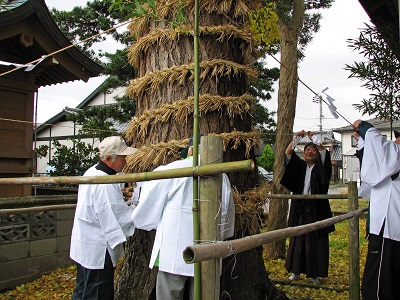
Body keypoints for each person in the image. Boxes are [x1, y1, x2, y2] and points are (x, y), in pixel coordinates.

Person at [131, 138, 235, 300]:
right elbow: (226, 216)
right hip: (208, 251)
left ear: (191, 150)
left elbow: (147, 208)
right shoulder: (222, 176)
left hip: (174, 250)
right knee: (203, 294)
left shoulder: (172, 170)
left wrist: (143, 220)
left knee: (169, 295)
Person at [70, 136, 138, 300]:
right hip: (98, 248)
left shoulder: (92, 172)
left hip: (84, 243)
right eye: (122, 158)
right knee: (98, 293)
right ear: (109, 158)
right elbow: (118, 217)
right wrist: (139, 208)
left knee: (82, 289)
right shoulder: (104, 183)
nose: (126, 162)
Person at [353, 119, 400, 300]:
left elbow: (383, 156)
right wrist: (363, 140)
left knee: (378, 286)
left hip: (388, 230)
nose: (394, 141)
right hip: (390, 231)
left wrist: (365, 127)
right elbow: (373, 162)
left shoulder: (396, 155)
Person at [280, 130, 334, 284]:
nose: (310, 152)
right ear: (304, 153)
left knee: (315, 242)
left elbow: (324, 153)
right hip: (300, 208)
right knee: (298, 240)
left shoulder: (321, 168)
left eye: (313, 150)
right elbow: (288, 153)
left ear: (317, 154)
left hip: (317, 208)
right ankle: (295, 272)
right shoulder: (300, 167)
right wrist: (298, 138)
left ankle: (314, 274)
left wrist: (313, 138)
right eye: (307, 150)